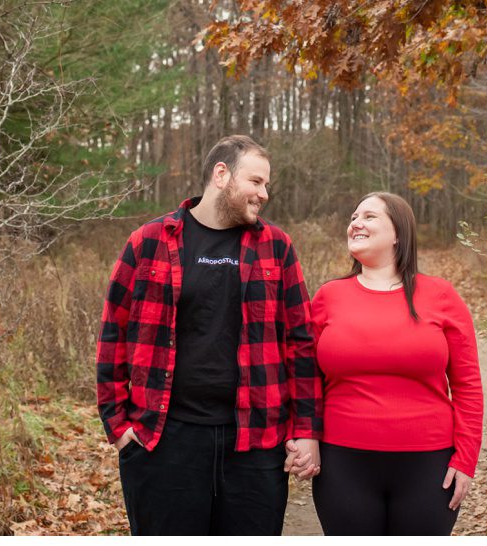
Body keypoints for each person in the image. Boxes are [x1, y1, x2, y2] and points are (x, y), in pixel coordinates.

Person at [95, 135, 322, 535]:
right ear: (222, 175)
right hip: (163, 442)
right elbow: (114, 332)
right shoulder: (148, 243)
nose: (264, 194)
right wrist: (118, 426)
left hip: (254, 443)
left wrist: (305, 430)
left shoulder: (276, 247)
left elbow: (300, 344)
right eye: (255, 182)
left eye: (266, 185)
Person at [307, 192, 483, 535]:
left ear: (398, 233)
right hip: (342, 462)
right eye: (353, 216)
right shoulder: (329, 296)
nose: (356, 223)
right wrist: (306, 437)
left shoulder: (441, 296)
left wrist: (465, 459)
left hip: (429, 464)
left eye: (370, 217)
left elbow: (468, 385)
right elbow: (307, 378)